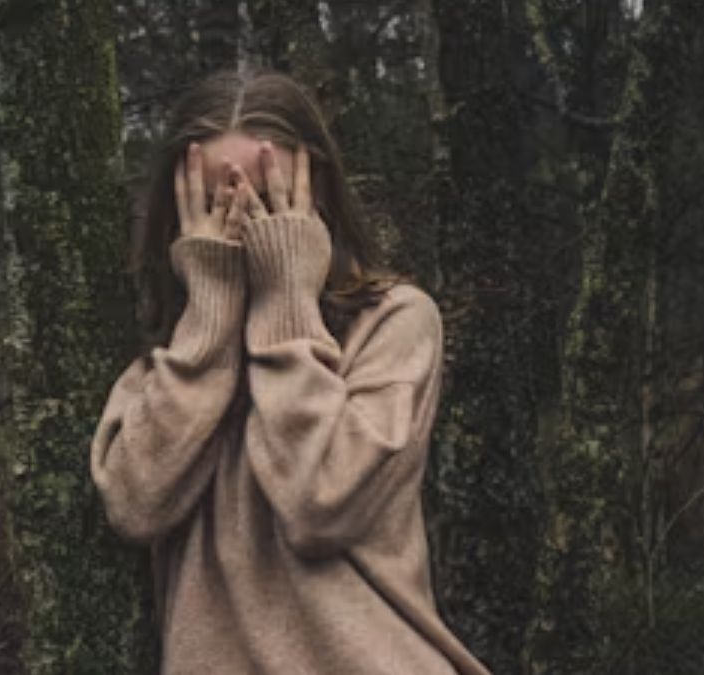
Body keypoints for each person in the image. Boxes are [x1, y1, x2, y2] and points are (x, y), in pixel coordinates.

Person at [89, 67, 493, 675]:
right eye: (215, 201)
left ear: (314, 193)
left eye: (266, 196)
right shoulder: (171, 356)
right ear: (180, 210)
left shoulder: (394, 323)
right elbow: (136, 506)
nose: (242, 219)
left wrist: (286, 305)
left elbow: (320, 505)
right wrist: (208, 324)